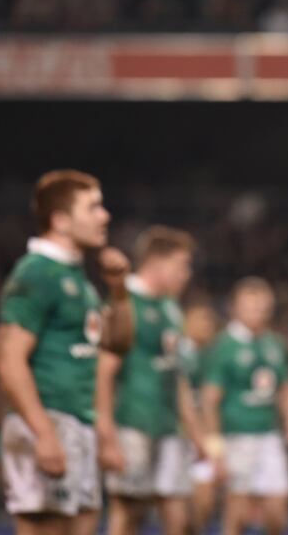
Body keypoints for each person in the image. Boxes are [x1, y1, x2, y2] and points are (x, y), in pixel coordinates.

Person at [0, 169, 134, 535]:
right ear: (61, 221)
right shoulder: (38, 273)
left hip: (78, 424)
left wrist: (119, 292)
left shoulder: (76, 279)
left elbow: (118, 343)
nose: (105, 216)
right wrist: (43, 433)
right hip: (49, 420)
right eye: (93, 207)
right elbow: (8, 359)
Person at [95, 225, 206, 535]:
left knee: (180, 518)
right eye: (181, 265)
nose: (186, 275)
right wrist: (106, 433)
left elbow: (176, 376)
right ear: (157, 263)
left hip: (168, 427)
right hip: (131, 423)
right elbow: (105, 371)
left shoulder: (170, 308)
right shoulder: (124, 302)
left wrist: (196, 434)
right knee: (129, 513)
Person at [201, 277, 288, 535]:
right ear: (235, 308)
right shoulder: (224, 346)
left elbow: (287, 388)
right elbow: (209, 399)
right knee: (237, 512)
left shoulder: (274, 343)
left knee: (278, 509)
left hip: (269, 436)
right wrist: (215, 447)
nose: (258, 312)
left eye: (263, 307)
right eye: (251, 306)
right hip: (236, 436)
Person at [181, 301, 223, 534]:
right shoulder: (177, 352)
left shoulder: (211, 356)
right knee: (175, 506)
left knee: (204, 502)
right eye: (201, 319)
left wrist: (213, 443)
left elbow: (210, 402)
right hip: (176, 434)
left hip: (201, 436)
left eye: (210, 322)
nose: (207, 326)